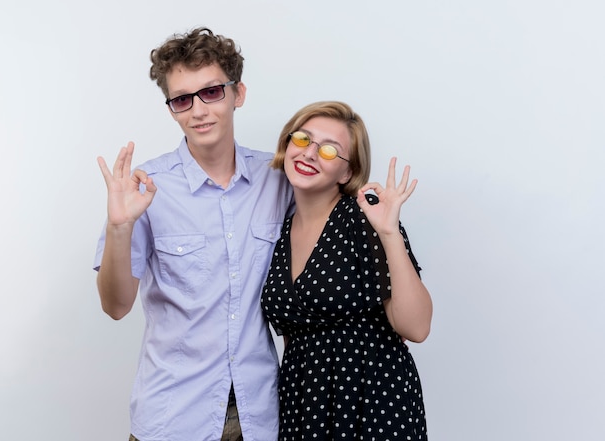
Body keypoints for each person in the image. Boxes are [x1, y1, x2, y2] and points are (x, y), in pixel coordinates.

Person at [93, 27, 294, 441]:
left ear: (237, 93)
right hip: (173, 419)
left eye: (212, 92)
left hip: (261, 417)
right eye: (183, 99)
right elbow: (115, 306)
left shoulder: (278, 180)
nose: (199, 110)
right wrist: (119, 227)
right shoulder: (146, 187)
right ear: (171, 109)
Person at [260, 101, 433, 440]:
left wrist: (389, 233)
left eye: (328, 150)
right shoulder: (277, 230)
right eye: (302, 139)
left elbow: (417, 327)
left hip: (372, 400)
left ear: (348, 173)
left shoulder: (363, 219)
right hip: (303, 402)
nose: (309, 153)